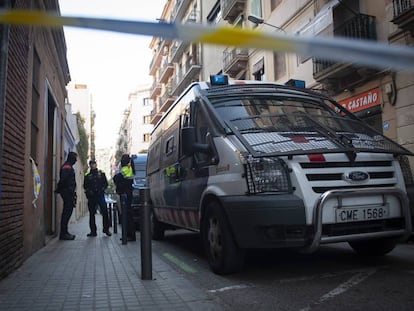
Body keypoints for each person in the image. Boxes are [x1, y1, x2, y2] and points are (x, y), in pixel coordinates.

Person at [84, 160, 112, 237]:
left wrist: (102, 189)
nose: (93, 165)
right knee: (92, 214)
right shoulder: (87, 176)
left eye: (94, 164)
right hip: (92, 197)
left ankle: (106, 229)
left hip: (100, 196)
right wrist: (89, 191)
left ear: (96, 165)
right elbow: (85, 186)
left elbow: (106, 184)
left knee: (105, 212)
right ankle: (93, 231)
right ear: (89, 165)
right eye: (91, 164)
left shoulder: (101, 174)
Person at [55, 151, 77, 240]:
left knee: (68, 212)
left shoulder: (69, 166)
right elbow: (63, 179)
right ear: (71, 158)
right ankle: (63, 233)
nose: (75, 160)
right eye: (75, 158)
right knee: (66, 212)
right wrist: (59, 188)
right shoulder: (67, 167)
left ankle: (65, 232)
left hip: (68, 192)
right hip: (67, 192)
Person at [116, 154, 135, 241]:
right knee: (127, 214)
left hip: (126, 194)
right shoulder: (128, 168)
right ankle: (127, 234)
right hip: (127, 193)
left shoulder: (127, 169)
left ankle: (130, 235)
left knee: (127, 214)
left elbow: (117, 178)